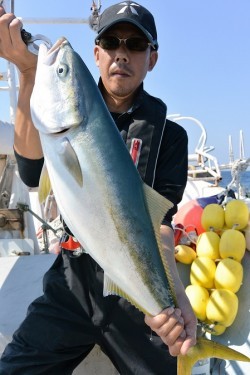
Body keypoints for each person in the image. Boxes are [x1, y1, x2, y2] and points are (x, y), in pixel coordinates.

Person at [0, 1, 197, 374]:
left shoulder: (171, 136)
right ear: (96, 53)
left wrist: (175, 297)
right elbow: (29, 171)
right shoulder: (65, 113)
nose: (121, 54)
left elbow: (161, 223)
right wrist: (27, 73)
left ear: (151, 58)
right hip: (71, 282)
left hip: (133, 299)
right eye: (111, 41)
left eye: (135, 45)